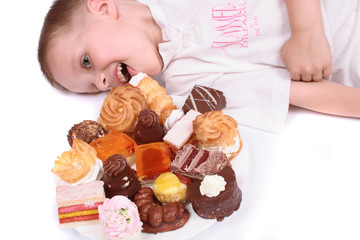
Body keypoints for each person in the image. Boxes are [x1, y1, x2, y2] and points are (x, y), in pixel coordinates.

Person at [38, 0, 360, 132]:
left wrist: (307, 30)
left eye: (86, 62)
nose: (102, 82)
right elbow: (302, 93)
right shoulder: (189, 92)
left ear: (103, 7)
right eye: (93, 86)